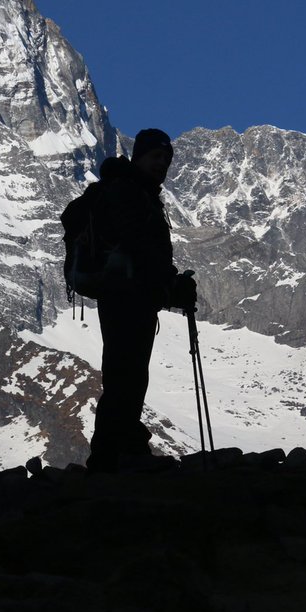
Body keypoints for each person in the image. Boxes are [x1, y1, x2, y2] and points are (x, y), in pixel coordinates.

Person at [86, 128, 197, 472]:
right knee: (125, 374)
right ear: (139, 157)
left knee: (128, 374)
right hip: (124, 297)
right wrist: (169, 281)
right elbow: (135, 245)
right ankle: (113, 456)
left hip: (133, 296)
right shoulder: (128, 192)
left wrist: (166, 283)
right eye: (155, 156)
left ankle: (114, 452)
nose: (161, 164)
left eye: (166, 159)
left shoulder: (141, 193)